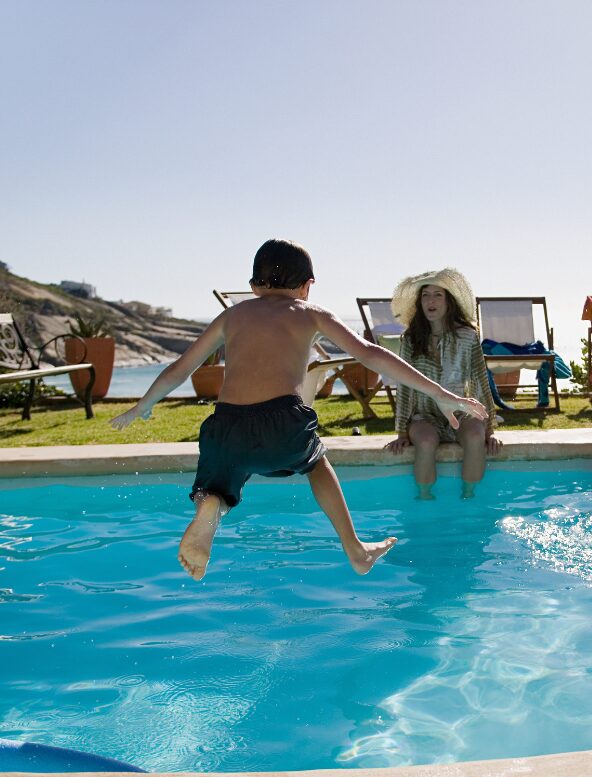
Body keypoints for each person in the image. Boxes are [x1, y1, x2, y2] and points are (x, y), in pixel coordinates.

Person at [111, 240, 488, 581]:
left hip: (226, 424)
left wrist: (143, 405)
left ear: (254, 285)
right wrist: (441, 394)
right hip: (283, 421)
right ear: (308, 285)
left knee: (215, 484)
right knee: (316, 463)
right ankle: (355, 549)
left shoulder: (232, 316)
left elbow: (180, 368)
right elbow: (371, 355)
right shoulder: (310, 314)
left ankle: (210, 508)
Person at [384, 269, 500, 499]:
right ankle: (424, 498)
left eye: (438, 295)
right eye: (425, 295)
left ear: (449, 301)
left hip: (461, 411)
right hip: (424, 416)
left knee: (476, 437)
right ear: (420, 302)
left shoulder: (468, 336)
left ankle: (469, 497)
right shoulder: (410, 339)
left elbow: (480, 378)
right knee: (426, 442)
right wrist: (401, 432)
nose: (431, 301)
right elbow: (404, 387)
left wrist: (490, 428)